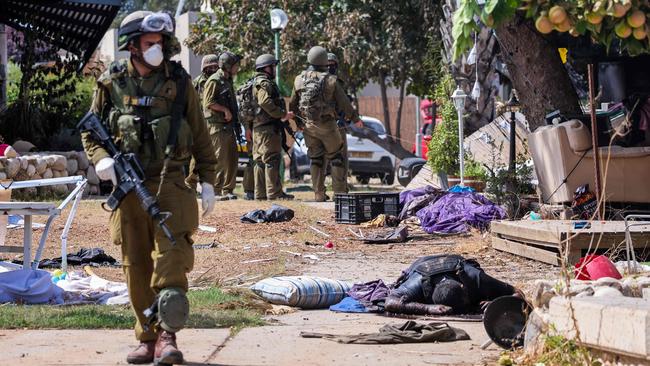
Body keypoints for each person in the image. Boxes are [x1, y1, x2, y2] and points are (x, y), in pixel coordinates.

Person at [80, 11, 217, 365]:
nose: (156, 49)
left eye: (159, 43)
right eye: (149, 43)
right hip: (128, 189)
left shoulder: (180, 82)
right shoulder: (111, 83)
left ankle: (168, 336)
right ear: (132, 47)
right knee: (135, 263)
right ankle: (146, 336)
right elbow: (89, 131)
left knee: (172, 256)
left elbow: (201, 135)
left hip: (170, 181)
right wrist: (100, 160)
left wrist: (207, 180)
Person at [289, 46, 363, 202]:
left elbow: (292, 105)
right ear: (324, 61)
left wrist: (298, 123)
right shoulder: (330, 80)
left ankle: (318, 194)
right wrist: (356, 119)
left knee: (315, 160)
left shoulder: (298, 79)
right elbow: (344, 104)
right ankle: (340, 194)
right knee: (337, 157)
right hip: (328, 126)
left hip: (309, 126)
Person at [385, 254, 519, 315]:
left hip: (453, 260)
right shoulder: (418, 283)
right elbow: (390, 302)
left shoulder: (475, 278)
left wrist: (498, 304)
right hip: (422, 263)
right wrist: (426, 309)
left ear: (464, 288)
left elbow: (518, 292)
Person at [251, 53, 295, 200]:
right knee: (271, 159)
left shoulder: (254, 82)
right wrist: (281, 114)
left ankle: (260, 194)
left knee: (259, 161)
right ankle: (274, 193)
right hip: (268, 129)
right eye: (273, 66)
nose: (274, 69)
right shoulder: (264, 83)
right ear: (266, 68)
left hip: (258, 128)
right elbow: (264, 102)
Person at [202, 51, 242, 200]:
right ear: (227, 66)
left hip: (228, 126)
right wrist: (224, 110)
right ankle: (215, 190)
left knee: (232, 157)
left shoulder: (228, 80)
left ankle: (228, 189)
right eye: (235, 65)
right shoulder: (214, 80)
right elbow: (208, 103)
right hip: (216, 126)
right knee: (219, 158)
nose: (237, 68)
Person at [326, 52, 350, 193]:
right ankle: (337, 191)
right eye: (327, 65)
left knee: (339, 159)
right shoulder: (335, 82)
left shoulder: (319, 82)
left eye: (332, 65)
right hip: (331, 126)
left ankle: (337, 190)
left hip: (335, 124)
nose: (330, 67)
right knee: (337, 159)